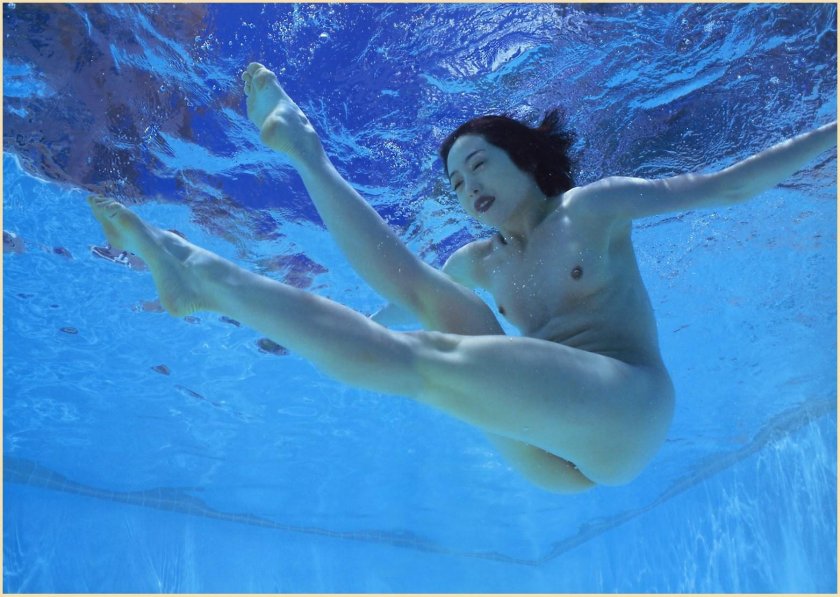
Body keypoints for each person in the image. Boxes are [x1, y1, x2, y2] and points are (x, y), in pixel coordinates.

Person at [88, 62, 837, 493]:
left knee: (427, 363)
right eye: (453, 180)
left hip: (624, 410)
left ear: (526, 161)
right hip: (547, 450)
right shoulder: (481, 262)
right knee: (426, 304)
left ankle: (202, 273)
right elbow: (389, 300)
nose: (465, 184)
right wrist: (287, 338)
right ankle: (306, 154)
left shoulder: (592, 210)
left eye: (479, 163)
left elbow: (731, 184)